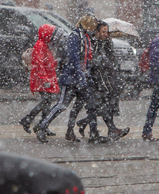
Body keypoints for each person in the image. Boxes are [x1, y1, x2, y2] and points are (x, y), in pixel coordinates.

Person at [34, 14, 110, 144]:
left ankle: (93, 133)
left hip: (82, 78)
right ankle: (41, 126)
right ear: (87, 25)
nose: (93, 29)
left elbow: (85, 60)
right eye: (92, 26)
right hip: (71, 79)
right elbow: (73, 59)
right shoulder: (74, 37)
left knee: (91, 105)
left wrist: (87, 74)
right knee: (62, 105)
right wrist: (81, 76)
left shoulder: (85, 37)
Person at [77, 21, 130, 140]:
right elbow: (90, 59)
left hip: (106, 77)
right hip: (95, 79)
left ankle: (87, 123)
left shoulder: (106, 42)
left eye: (107, 31)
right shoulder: (90, 42)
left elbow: (111, 58)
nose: (106, 34)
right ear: (97, 31)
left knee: (105, 104)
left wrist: (108, 44)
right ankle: (110, 129)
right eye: (103, 32)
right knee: (100, 104)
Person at [18, 24, 63, 136]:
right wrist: (44, 80)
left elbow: (46, 62)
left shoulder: (45, 45)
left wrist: (56, 62)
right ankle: (31, 121)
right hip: (42, 80)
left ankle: (41, 124)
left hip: (45, 78)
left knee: (47, 102)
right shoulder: (40, 45)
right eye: (52, 35)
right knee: (46, 101)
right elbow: (38, 65)